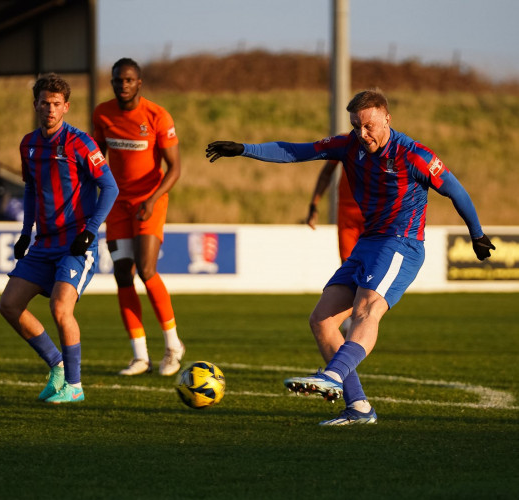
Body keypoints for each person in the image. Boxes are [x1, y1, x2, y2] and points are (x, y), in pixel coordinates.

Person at [206, 88, 495, 426]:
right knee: (322, 320)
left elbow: (455, 190)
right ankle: (358, 407)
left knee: (366, 310)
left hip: (401, 244)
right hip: (367, 243)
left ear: (387, 118)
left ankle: (333, 375)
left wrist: (476, 234)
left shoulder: (413, 155)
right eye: (357, 126)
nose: (363, 133)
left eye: (369, 125)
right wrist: (245, 149)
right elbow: (297, 151)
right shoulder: (349, 145)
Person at [0, 73, 118, 404]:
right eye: (44, 103)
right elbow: (32, 190)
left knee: (61, 308)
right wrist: (26, 233)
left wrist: (90, 231)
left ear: (66, 107)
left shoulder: (82, 143)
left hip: (77, 242)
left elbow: (110, 187)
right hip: (44, 243)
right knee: (9, 305)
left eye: (56, 104)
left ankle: (75, 386)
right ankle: (58, 366)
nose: (50, 109)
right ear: (35, 104)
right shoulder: (29, 144)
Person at [92, 57, 185, 377]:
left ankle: (173, 345)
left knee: (146, 270)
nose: (123, 85)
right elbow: (96, 159)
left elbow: (175, 168)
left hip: (151, 200)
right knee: (121, 274)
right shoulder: (102, 113)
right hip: (117, 204)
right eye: (118, 80)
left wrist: (153, 198)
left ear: (139, 82)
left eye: (129, 80)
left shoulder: (157, 115)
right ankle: (139, 356)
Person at [306, 160, 365, 333]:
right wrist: (313, 204)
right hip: (347, 213)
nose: (362, 132)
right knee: (348, 266)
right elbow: (326, 173)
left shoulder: (381, 145)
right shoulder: (344, 144)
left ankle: (360, 316)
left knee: (369, 268)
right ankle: (349, 320)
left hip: (372, 214)